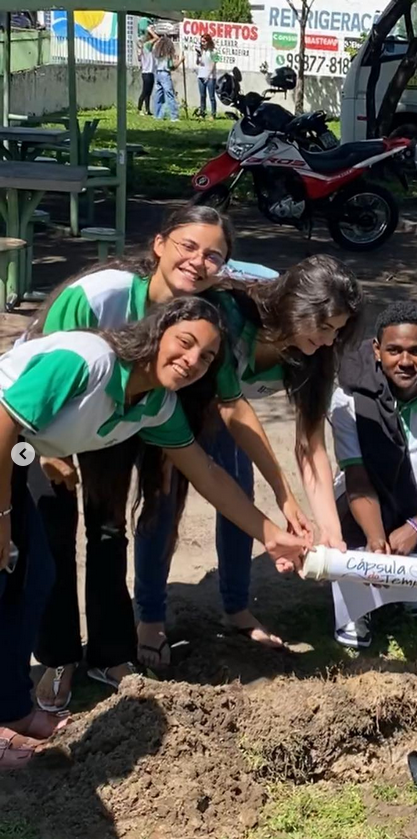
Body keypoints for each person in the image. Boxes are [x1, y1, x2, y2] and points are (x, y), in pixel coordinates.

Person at [0, 299, 306, 770]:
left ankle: (12, 710)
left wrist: (271, 535)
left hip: (11, 457)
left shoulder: (156, 404)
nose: (192, 360)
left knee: (33, 578)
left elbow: (207, 474)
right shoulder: (88, 361)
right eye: (185, 342)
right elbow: (3, 422)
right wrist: (2, 516)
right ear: (158, 332)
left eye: (206, 356)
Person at [29, 206, 308, 707]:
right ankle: (57, 658)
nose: (199, 261)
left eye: (214, 255)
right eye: (189, 246)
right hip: (41, 417)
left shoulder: (200, 330)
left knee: (108, 529)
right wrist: (54, 453)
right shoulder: (102, 294)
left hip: (124, 410)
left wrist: (275, 520)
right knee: (53, 533)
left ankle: (109, 654)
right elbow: (42, 372)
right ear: (159, 244)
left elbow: (221, 434)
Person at [136, 253, 364, 661]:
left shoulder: (316, 354)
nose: (330, 341)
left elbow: (311, 445)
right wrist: (284, 494)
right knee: (162, 501)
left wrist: (331, 532)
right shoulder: (230, 314)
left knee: (240, 500)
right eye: (325, 327)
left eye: (338, 331)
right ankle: (150, 618)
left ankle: (236, 608)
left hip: (225, 412)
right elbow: (232, 405)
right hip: (173, 402)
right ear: (297, 307)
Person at [328, 302, 417, 648]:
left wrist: (416, 527)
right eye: (394, 350)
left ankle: (408, 585)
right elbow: (356, 476)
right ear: (377, 350)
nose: (405, 361)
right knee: (343, 528)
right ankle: (356, 607)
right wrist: (377, 540)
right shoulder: (349, 399)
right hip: (366, 501)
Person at [152, 35, 182, 122]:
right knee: (170, 95)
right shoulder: (168, 55)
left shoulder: (157, 54)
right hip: (165, 74)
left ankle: (157, 115)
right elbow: (172, 67)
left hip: (158, 73)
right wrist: (180, 61)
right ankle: (174, 116)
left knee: (158, 94)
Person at [136, 21, 156, 116]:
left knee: (148, 93)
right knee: (145, 92)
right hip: (147, 72)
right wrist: (150, 30)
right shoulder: (147, 45)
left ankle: (147, 110)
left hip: (150, 72)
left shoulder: (145, 47)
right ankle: (139, 108)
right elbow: (157, 38)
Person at [195, 34, 218, 118]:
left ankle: (213, 114)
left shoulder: (213, 51)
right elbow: (197, 63)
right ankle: (202, 113)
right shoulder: (201, 51)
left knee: (212, 97)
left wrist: (208, 76)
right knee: (202, 96)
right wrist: (198, 55)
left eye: (204, 41)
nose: (202, 43)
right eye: (201, 42)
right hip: (201, 75)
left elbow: (214, 64)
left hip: (210, 77)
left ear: (208, 41)